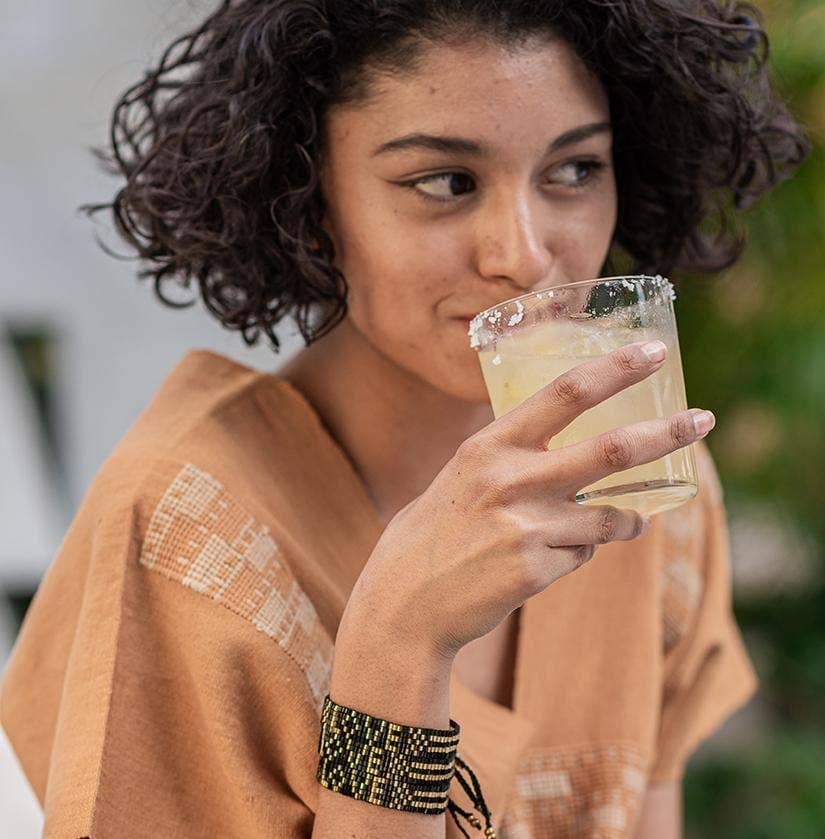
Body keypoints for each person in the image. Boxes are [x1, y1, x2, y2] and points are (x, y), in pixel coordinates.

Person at [0, 1, 808, 837]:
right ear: (308, 201)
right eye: (446, 183)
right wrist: (399, 645)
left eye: (573, 169)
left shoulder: (633, 479)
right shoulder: (187, 532)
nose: (524, 255)